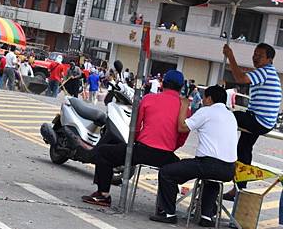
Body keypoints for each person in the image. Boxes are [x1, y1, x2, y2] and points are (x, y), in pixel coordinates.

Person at [80, 70, 189, 207]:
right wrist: (170, 146)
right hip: (166, 156)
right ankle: (165, 208)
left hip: (142, 151)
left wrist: (135, 143)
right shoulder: (184, 108)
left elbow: (135, 127)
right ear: (181, 88)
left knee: (103, 152)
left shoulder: (149, 99)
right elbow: (182, 136)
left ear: (163, 84)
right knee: (180, 168)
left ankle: (103, 195)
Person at [150, 86, 237, 226]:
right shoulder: (230, 115)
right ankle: (206, 217)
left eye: (204, 97)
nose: (202, 100)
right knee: (212, 180)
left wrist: (185, 106)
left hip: (208, 164)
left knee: (167, 172)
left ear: (209, 99)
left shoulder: (207, 111)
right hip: (229, 170)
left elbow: (182, 127)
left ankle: (168, 213)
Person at [222, 43, 282, 200]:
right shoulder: (266, 72)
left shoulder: (264, 72)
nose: (255, 58)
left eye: (259, 56)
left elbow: (240, 78)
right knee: (244, 147)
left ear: (269, 59)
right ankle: (239, 188)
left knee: (225, 117)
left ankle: (218, 159)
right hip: (262, 120)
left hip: (259, 120)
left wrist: (230, 56)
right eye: (254, 54)